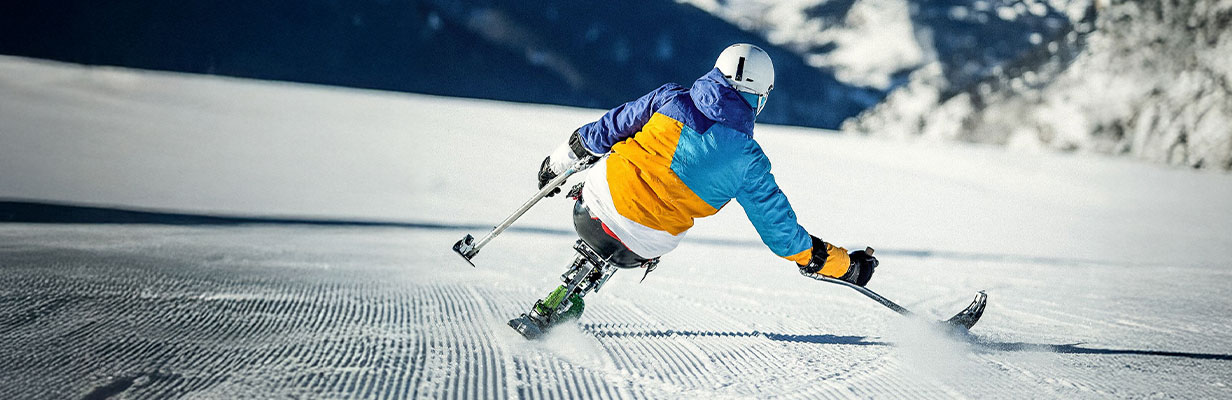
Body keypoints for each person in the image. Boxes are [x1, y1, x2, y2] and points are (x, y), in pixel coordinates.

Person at [509, 44, 878, 338]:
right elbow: (784, 237)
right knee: (652, 219)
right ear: (760, 98)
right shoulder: (749, 161)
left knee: (617, 165)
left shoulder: (670, 99)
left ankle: (567, 289)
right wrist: (845, 267)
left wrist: (557, 164)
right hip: (644, 244)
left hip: (591, 210)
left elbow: (604, 130)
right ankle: (578, 291)